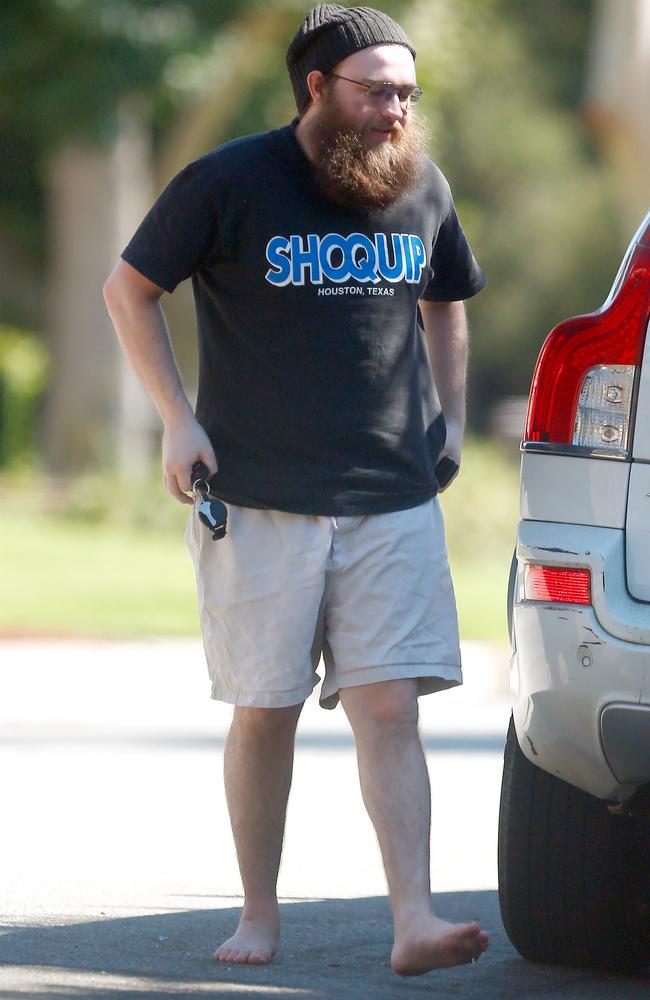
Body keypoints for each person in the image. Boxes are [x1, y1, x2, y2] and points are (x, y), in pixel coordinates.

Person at [103, 2, 490, 977]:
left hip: (391, 493)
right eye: (374, 91)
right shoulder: (228, 181)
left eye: (406, 92)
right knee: (264, 708)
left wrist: (446, 409)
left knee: (390, 708)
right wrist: (175, 417)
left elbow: (446, 302)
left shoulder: (420, 185)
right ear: (315, 88)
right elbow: (128, 289)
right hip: (260, 495)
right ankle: (258, 911)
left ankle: (413, 920)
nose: (394, 111)